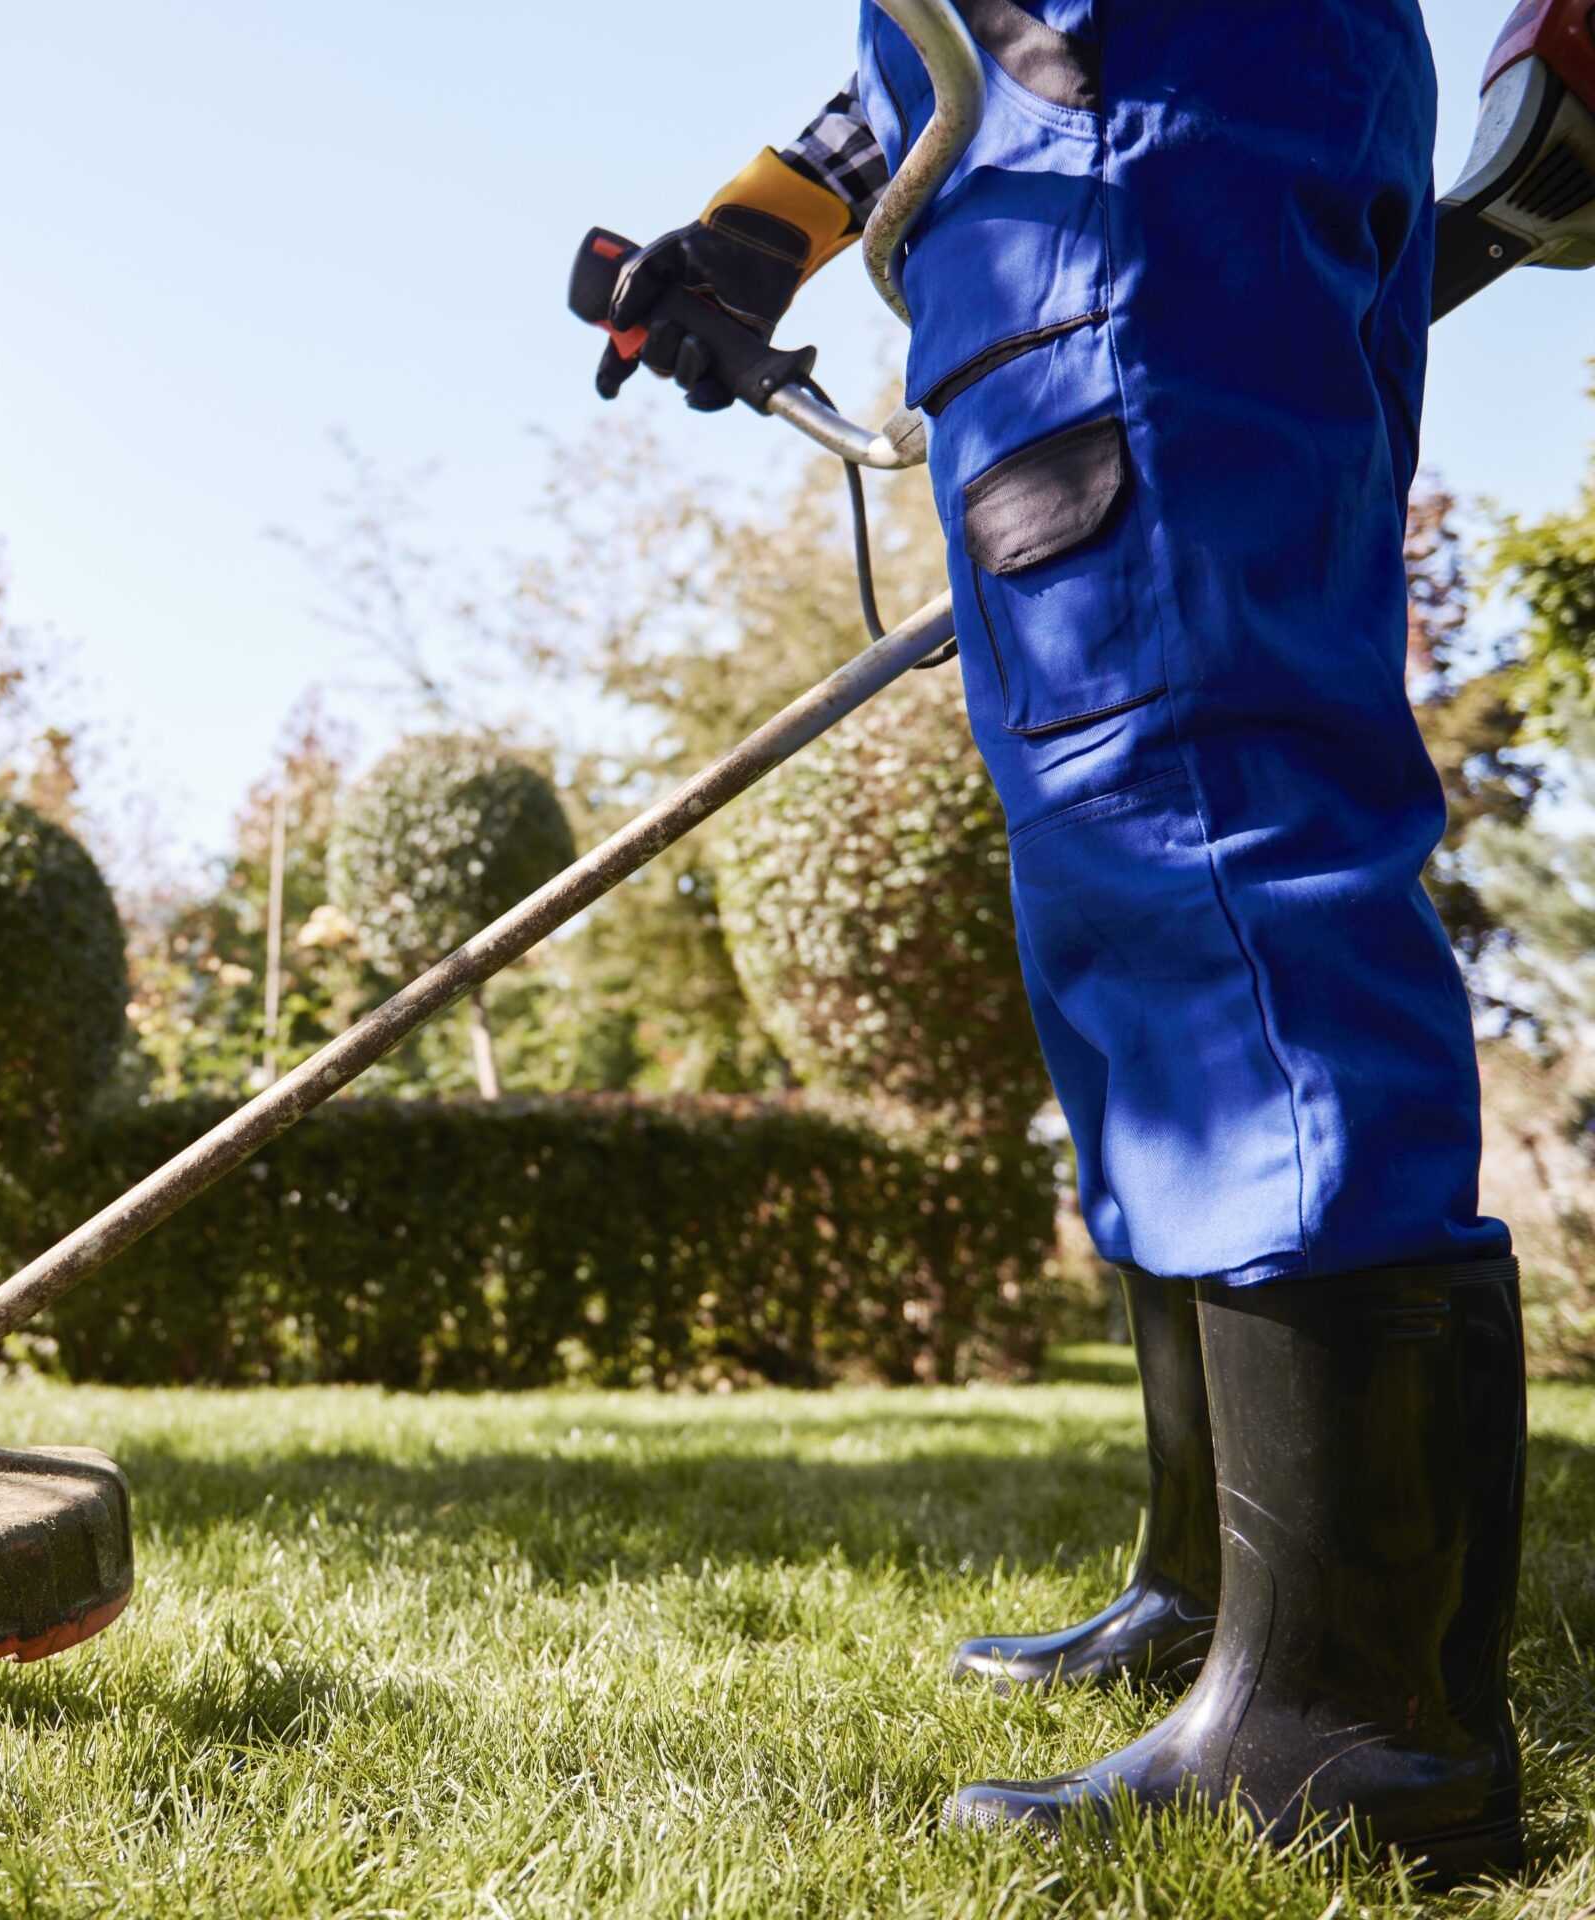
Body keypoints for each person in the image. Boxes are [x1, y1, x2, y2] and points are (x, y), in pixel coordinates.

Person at [595, 1, 1525, 1883]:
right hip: (1075, 154)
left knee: (1198, 817)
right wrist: (769, 216)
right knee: (1120, 894)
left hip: (1145, 133)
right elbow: (931, 53)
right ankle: (1222, 1599)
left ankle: (1357, 1709)